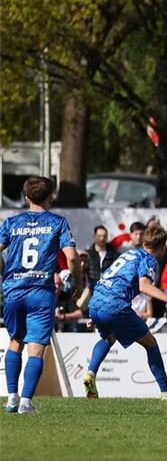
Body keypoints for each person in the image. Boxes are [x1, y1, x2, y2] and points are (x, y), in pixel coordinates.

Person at [1, 177, 81, 414]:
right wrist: (74, 279)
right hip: (40, 291)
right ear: (51, 197)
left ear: (26, 198)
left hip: (13, 289)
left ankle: (11, 399)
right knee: (36, 347)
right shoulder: (58, 222)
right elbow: (73, 257)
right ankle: (26, 403)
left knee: (15, 342)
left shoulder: (11, 222)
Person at [83, 226, 167, 400]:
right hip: (114, 305)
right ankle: (165, 393)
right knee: (151, 343)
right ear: (161, 246)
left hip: (96, 302)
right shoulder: (149, 259)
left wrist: (98, 313)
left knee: (108, 337)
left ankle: (90, 373)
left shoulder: (128, 254)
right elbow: (144, 286)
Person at [86, 225, 116, 290]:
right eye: (99, 236)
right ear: (94, 236)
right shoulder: (88, 254)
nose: (102, 238)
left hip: (109, 289)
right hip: (92, 289)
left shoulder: (114, 254)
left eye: (104, 236)